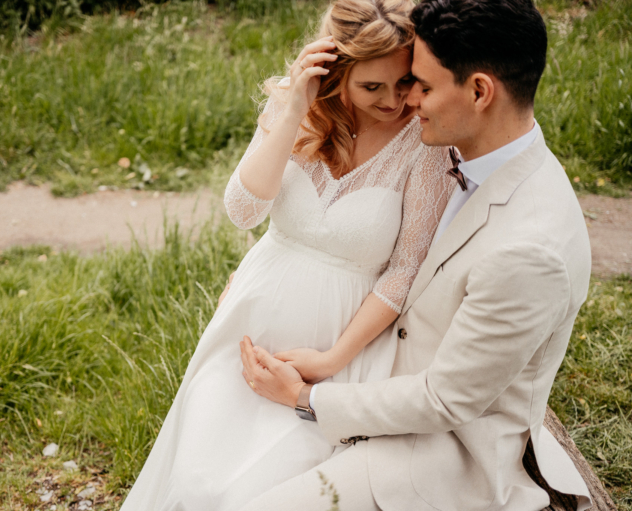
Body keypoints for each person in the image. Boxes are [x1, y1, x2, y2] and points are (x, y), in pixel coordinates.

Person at [236, 0, 594, 510]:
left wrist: (304, 397)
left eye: (421, 86)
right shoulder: (479, 158)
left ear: (479, 91)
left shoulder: (529, 249)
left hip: (442, 454)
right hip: (374, 377)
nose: (408, 103)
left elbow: (445, 400)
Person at [120, 0, 456, 509]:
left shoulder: (423, 141)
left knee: (257, 491)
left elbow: (405, 268)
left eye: (404, 81)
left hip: (344, 342)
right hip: (253, 321)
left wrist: (330, 359)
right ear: (334, 72)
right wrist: (296, 106)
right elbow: (243, 210)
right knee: (196, 481)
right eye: (372, 87)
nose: (393, 102)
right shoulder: (296, 107)